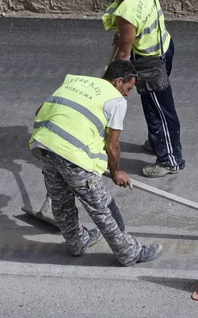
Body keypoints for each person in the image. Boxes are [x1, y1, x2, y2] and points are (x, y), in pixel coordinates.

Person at [29, 61, 162, 266]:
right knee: (103, 208)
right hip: (74, 158)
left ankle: (77, 243)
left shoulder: (75, 81)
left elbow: (40, 111)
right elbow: (113, 146)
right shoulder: (116, 101)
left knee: (61, 202)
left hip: (45, 147)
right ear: (118, 81)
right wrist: (116, 172)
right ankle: (129, 253)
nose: (127, 94)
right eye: (128, 88)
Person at [88, 0, 185, 178]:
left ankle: (170, 159)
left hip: (150, 63)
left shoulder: (126, 14)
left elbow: (123, 54)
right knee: (156, 106)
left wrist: (107, 82)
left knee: (158, 110)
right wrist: (125, 35)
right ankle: (157, 141)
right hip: (165, 46)